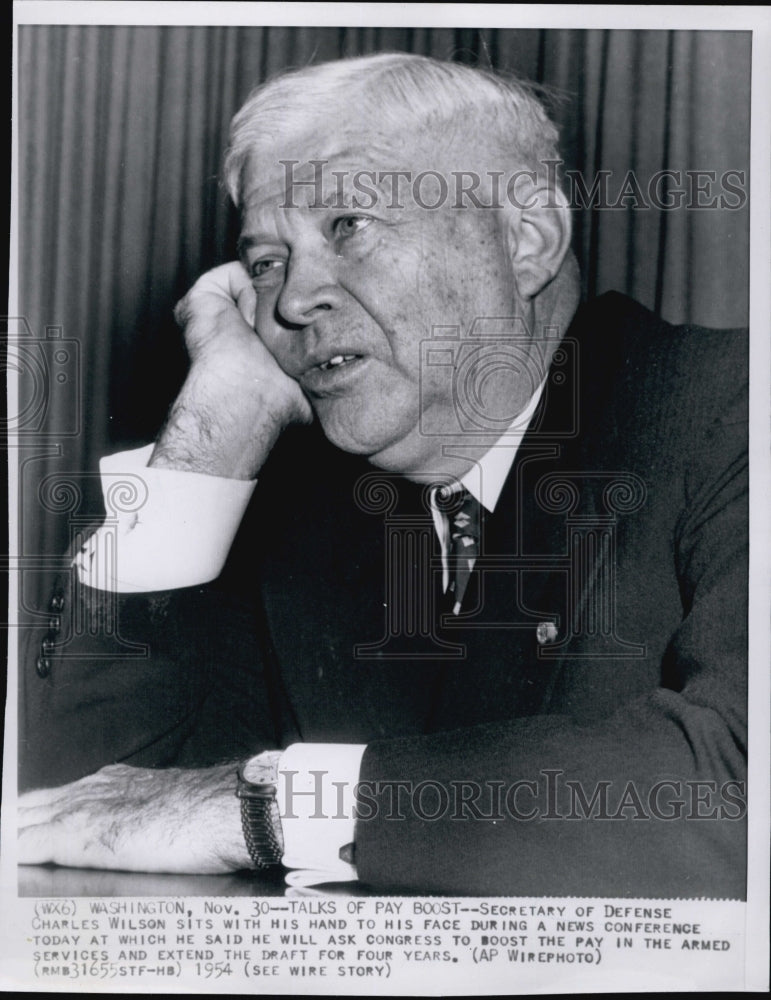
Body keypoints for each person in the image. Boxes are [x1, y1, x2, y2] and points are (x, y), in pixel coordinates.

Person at [19, 53, 747, 898]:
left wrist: (266, 809)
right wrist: (213, 438)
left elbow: (738, 781)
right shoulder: (298, 511)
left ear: (526, 240)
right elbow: (77, 809)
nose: (291, 302)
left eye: (348, 226)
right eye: (263, 261)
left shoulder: (729, 412)